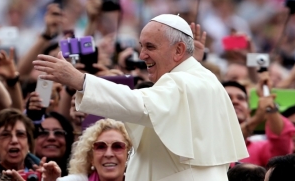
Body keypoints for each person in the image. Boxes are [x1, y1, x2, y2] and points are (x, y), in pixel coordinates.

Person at [34, 14, 248, 180]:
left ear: (178, 50)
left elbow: (139, 105)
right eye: (141, 46)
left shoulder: (182, 81)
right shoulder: (203, 79)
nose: (142, 55)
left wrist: (80, 80)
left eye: (150, 47)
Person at [222, 80, 295, 166]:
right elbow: (223, 143)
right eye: (227, 97)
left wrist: (267, 99)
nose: (235, 101)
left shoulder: (259, 148)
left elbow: (281, 146)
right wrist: (256, 119)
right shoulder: (206, 138)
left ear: (249, 112)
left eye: (241, 98)